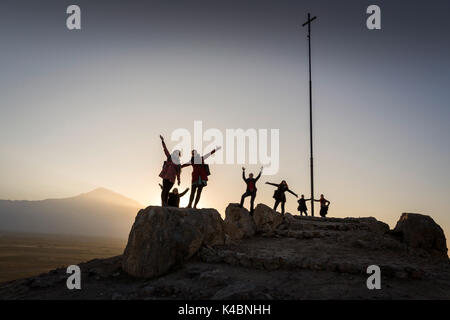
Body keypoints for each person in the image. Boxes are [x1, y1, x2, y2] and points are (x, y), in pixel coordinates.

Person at [158, 135, 181, 206]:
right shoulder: (169, 157)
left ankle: (165, 203)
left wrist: (179, 180)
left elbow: (178, 172)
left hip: (172, 179)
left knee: (167, 191)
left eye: (177, 153)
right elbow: (165, 149)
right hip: (166, 176)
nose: (176, 154)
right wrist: (162, 141)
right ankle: (163, 202)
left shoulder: (178, 163)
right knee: (164, 190)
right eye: (175, 153)